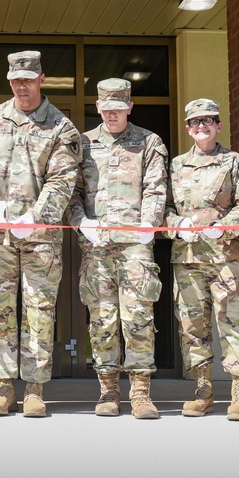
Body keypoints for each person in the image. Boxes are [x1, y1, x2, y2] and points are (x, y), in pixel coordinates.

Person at [0, 50, 82, 417]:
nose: (22, 86)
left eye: (28, 79)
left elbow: (63, 179)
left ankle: (35, 389)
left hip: (42, 238)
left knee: (39, 310)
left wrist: (38, 216)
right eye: (16, 81)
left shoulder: (60, 126)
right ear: (10, 81)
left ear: (41, 78)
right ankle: (4, 387)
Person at [68, 78, 167, 419]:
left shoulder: (149, 142)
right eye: (107, 109)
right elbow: (73, 192)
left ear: (130, 108)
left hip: (135, 247)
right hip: (96, 246)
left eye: (119, 109)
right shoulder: (84, 143)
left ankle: (140, 392)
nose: (112, 115)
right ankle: (108, 390)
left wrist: (149, 224)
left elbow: (156, 188)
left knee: (138, 318)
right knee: (102, 319)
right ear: (97, 107)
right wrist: (82, 222)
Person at [166, 98, 239, 421]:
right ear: (188, 128)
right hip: (188, 258)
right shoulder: (176, 165)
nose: (201, 126)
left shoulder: (233, 162)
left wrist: (225, 228)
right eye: (195, 122)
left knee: (234, 325)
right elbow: (161, 210)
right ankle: (203, 390)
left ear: (219, 125)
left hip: (226, 258)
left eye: (208, 120)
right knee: (193, 327)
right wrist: (178, 226)